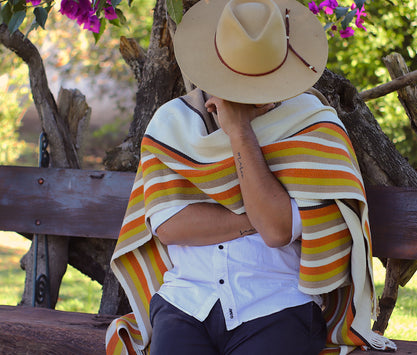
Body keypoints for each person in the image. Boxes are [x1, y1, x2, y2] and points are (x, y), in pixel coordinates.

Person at [105, 0, 397, 354]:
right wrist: (256, 216)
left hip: (277, 304)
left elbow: (276, 231)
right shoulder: (173, 125)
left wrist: (240, 131)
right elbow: (169, 226)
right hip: (186, 302)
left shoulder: (313, 127)